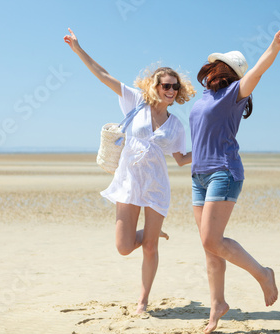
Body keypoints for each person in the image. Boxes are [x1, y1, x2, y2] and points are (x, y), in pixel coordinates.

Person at [64, 28, 195, 313]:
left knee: (149, 249)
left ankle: (143, 301)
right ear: (155, 86)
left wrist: (212, 150)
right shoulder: (135, 101)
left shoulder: (176, 126)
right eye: (165, 85)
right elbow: (103, 75)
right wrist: (78, 49)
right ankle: (151, 232)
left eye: (175, 87)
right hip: (128, 182)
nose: (170, 90)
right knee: (124, 247)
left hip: (157, 185)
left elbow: (182, 159)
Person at [189, 19, 280, 333]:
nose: (207, 71)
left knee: (211, 238)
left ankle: (263, 273)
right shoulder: (203, 99)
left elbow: (257, 72)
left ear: (223, 72)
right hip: (199, 176)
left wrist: (274, 46)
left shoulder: (236, 92)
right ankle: (217, 305)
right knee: (209, 245)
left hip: (224, 171)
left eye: (213, 67)